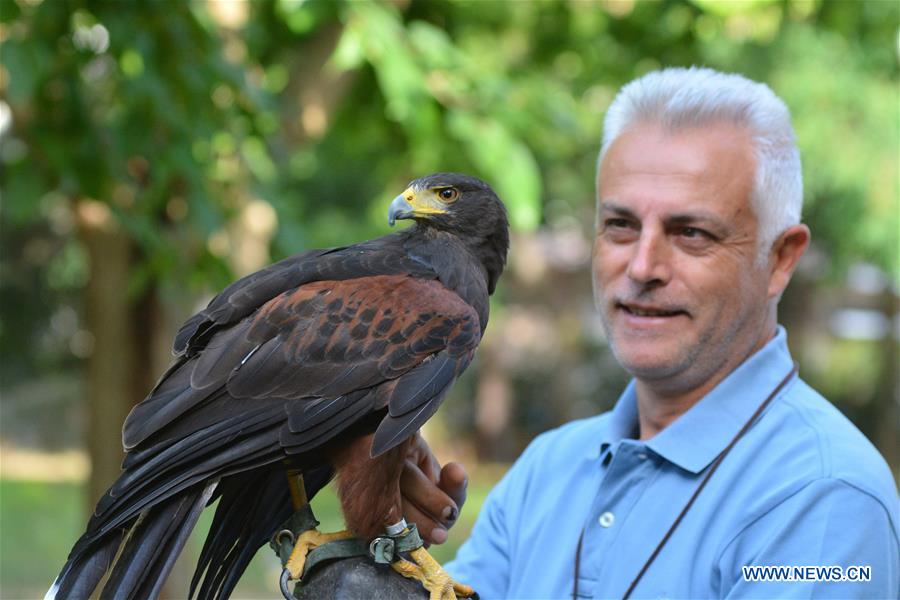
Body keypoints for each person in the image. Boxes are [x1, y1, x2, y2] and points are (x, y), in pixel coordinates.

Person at [399, 67, 900, 598]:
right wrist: (377, 546)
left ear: (779, 259)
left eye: (691, 233)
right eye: (620, 226)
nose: (642, 266)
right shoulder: (548, 469)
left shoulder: (821, 499)